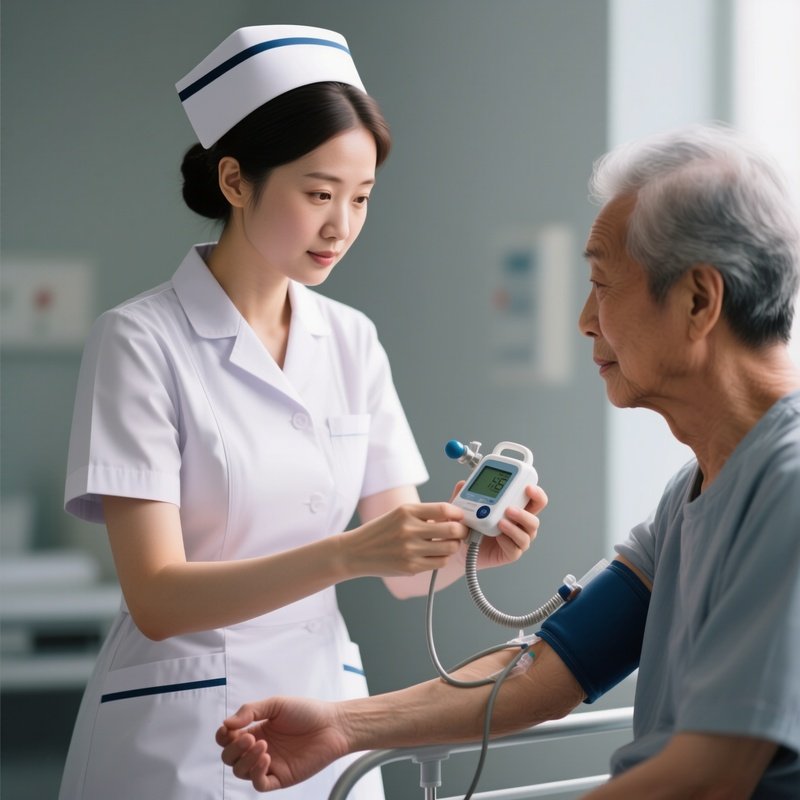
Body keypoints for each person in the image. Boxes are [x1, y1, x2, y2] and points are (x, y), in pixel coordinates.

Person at [217, 124, 800, 799]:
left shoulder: (786, 487)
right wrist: (343, 727)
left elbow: (710, 773)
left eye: (602, 283)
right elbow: (548, 669)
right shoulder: (695, 494)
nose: (585, 319)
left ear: (699, 300)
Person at [59, 25, 543, 800]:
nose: (341, 226)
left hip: (324, 719)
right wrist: (348, 554)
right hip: (181, 734)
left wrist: (470, 549)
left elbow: (403, 575)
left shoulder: (351, 339)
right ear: (236, 180)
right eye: (318, 194)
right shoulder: (139, 341)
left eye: (360, 198)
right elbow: (155, 598)